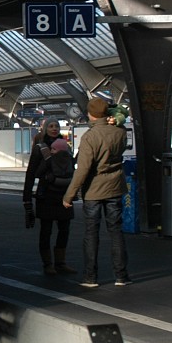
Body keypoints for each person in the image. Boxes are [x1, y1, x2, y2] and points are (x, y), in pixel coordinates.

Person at [62, 97, 130, 287]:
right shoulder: (120, 131)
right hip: (115, 186)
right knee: (116, 231)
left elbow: (83, 169)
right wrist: (115, 114)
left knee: (92, 233)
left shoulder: (90, 137)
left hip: (93, 190)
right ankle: (121, 276)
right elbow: (122, 114)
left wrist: (69, 195)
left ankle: (90, 277)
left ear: (91, 115)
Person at [22, 117, 66, 272]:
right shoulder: (40, 147)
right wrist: (26, 199)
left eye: (57, 126)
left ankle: (60, 263)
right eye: (51, 126)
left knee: (64, 229)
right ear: (45, 128)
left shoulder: (64, 146)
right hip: (46, 193)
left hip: (63, 193)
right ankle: (48, 264)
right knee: (46, 229)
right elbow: (30, 173)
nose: (54, 129)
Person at [31, 138, 77, 274]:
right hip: (65, 199)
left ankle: (48, 265)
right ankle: (61, 263)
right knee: (64, 231)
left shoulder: (49, 158)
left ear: (54, 149)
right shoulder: (69, 159)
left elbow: (37, 173)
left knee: (46, 231)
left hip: (47, 199)